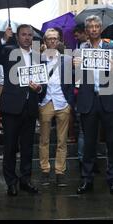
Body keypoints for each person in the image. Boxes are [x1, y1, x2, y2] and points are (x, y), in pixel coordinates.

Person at [73, 15, 113, 195]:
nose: (94, 29)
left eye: (97, 26)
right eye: (91, 27)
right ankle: (87, 180)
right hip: (88, 100)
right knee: (89, 143)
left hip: (108, 99)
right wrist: (74, 67)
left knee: (112, 142)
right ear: (86, 31)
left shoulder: (112, 49)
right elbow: (75, 78)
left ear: (101, 29)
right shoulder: (80, 50)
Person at [0, 24, 42, 196]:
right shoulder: (8, 51)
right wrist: (4, 38)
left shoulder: (37, 55)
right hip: (12, 106)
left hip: (30, 106)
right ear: (17, 36)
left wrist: (40, 88)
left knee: (27, 147)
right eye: (24, 35)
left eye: (29, 35)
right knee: (10, 147)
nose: (27, 37)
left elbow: (42, 78)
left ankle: (25, 179)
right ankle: (11, 181)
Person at [38, 29, 74, 187]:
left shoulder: (67, 59)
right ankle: (45, 171)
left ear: (59, 40)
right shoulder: (38, 60)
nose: (52, 41)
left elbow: (72, 82)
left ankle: (60, 171)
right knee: (44, 140)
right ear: (45, 41)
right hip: (46, 102)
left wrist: (70, 102)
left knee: (62, 141)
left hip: (62, 102)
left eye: (55, 38)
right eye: (49, 39)